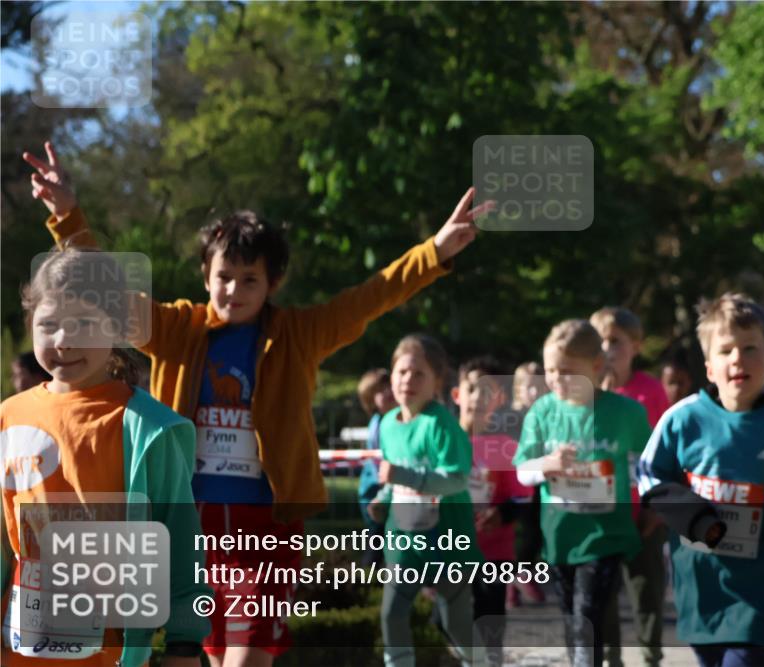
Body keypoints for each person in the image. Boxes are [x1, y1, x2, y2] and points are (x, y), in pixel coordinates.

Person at [23, 141, 493, 667]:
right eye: (224, 277)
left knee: (249, 657)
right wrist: (68, 217)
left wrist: (437, 251)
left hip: (266, 525)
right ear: (206, 277)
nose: (234, 290)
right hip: (189, 521)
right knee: (214, 653)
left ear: (273, 283)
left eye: (250, 280)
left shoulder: (299, 334)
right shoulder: (178, 328)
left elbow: (371, 295)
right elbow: (108, 294)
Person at [1, 249, 209, 667]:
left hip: (110, 655)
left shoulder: (150, 428)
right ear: (30, 327)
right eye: (49, 325)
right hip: (19, 650)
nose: (64, 340)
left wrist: (185, 644)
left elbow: (180, 541)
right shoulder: (9, 416)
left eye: (83, 324)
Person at [637, 293, 764, 667]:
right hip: (701, 585)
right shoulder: (682, 419)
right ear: (708, 367)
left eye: (751, 349)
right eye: (726, 350)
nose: (738, 359)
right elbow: (650, 474)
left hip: (762, 585)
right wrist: (694, 519)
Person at [513, 320, 651, 667]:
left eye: (567, 371)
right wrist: (547, 463)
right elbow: (522, 471)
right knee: (572, 619)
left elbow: (649, 465)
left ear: (596, 366)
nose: (556, 379)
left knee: (586, 614)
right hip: (560, 537)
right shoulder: (542, 412)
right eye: (550, 370)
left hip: (606, 536)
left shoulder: (626, 413)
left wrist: (651, 509)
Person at [367, 334, 485, 667]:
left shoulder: (442, 426)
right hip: (404, 541)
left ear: (437, 382)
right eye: (402, 371)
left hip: (448, 541)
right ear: (391, 376)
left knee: (457, 625)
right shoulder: (388, 425)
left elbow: (456, 479)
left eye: (419, 374)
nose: (408, 380)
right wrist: (383, 500)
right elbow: (394, 479)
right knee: (391, 614)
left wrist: (401, 477)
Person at [589, 307, 669, 667]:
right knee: (600, 594)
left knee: (645, 591)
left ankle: (651, 656)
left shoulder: (649, 392)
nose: (607, 349)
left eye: (615, 341)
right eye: (600, 341)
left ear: (635, 346)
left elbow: (665, 452)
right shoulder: (586, 394)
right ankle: (610, 657)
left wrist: (655, 506)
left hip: (642, 515)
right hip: (600, 514)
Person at [451, 356, 529, 666]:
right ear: (458, 394)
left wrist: (502, 514)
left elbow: (523, 497)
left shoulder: (505, 446)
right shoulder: (442, 441)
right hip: (449, 551)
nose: (478, 398)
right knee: (447, 625)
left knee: (489, 632)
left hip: (493, 554)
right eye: (472, 388)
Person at [507, 361, 548, 608]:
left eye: (540, 386)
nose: (535, 392)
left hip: (541, 480)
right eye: (529, 387)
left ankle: (520, 574)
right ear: (519, 390)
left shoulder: (551, 414)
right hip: (516, 485)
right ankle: (516, 577)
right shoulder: (513, 419)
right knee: (521, 532)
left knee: (536, 529)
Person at [357, 368, 397, 566]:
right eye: (381, 390)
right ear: (371, 399)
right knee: (376, 539)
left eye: (390, 386)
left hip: (388, 488)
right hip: (376, 489)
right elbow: (380, 460)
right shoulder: (379, 424)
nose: (389, 392)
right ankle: (368, 579)